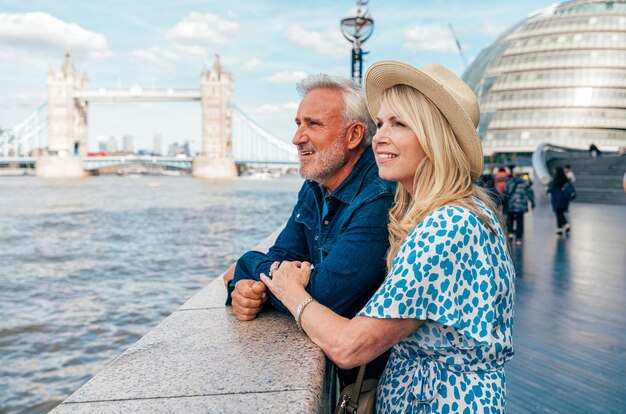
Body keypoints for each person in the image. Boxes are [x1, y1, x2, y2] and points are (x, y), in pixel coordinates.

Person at [261, 61, 515, 412]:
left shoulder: (447, 227)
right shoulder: (458, 211)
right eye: (380, 123)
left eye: (399, 124)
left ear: (434, 137)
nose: (378, 137)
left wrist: (290, 290)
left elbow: (351, 347)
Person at [221, 74, 396, 384]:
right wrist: (246, 289)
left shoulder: (379, 196)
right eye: (297, 123)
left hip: (370, 382)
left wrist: (246, 264)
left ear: (354, 135)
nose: (297, 137)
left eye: (313, 124)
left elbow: (325, 296)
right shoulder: (315, 186)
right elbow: (282, 255)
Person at [503, 166, 535, 245]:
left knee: (510, 219)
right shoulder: (525, 182)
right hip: (521, 206)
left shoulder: (509, 182)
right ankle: (518, 239)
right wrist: (533, 204)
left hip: (511, 204)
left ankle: (510, 234)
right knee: (520, 221)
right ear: (521, 174)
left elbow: (505, 193)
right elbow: (530, 194)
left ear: (513, 174)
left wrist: (503, 203)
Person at [548, 166, 572, 235]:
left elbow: (551, 188)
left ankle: (566, 225)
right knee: (560, 212)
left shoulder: (555, 180)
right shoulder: (565, 179)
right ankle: (560, 229)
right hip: (564, 198)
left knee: (558, 212)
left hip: (557, 198)